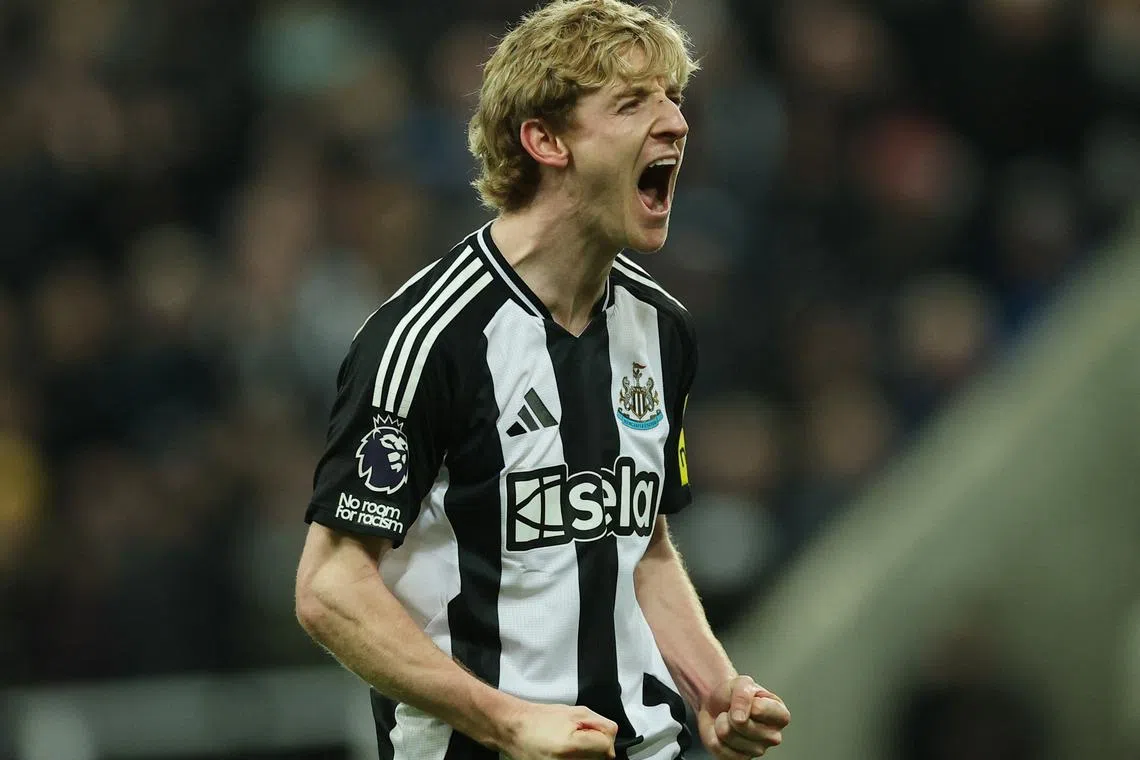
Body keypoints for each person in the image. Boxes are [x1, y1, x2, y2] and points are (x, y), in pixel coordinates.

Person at [294, 1, 791, 758]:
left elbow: (642, 545)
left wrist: (715, 688)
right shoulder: (429, 339)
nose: (676, 123)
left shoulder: (662, 330)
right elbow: (329, 586)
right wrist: (508, 721)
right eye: (632, 103)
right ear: (546, 140)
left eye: (673, 99)